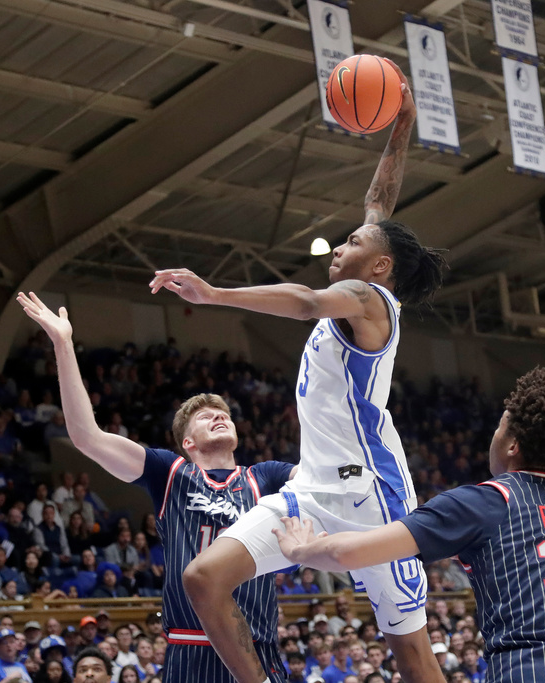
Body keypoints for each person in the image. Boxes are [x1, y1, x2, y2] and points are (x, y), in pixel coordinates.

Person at [154, 64, 443, 683]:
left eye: (354, 242)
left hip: (372, 498)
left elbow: (308, 301)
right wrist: (402, 128)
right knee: (203, 578)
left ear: (382, 265)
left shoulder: (372, 302)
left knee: (411, 654)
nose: (340, 245)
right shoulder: (368, 280)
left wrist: (215, 294)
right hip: (310, 492)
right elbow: (378, 204)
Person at [275, 368, 545, 683]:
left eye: (500, 427)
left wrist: (300, 550)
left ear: (512, 444)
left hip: (533, 668)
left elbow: (350, 552)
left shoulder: (487, 501)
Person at [16, 293, 297, 683]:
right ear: (187, 442)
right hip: (190, 650)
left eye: (224, 414)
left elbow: (321, 479)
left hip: (258, 649)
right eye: (205, 416)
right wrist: (63, 345)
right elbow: (86, 437)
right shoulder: (170, 471)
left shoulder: (266, 476)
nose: (218, 416)